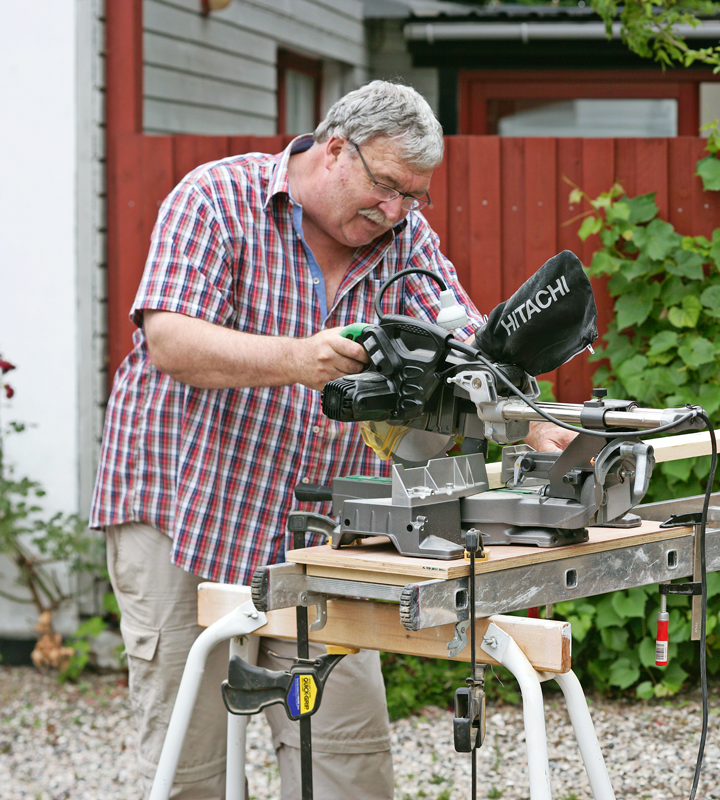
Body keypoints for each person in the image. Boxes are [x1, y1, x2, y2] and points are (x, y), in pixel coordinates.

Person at [90, 80, 569, 799]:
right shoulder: (216, 199)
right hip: (183, 514)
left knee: (348, 763)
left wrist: (539, 426)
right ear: (334, 147)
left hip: (318, 536)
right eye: (385, 187)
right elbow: (169, 341)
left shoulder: (403, 234)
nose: (397, 211)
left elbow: (465, 343)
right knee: (189, 769)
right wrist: (300, 359)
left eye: (414, 196)